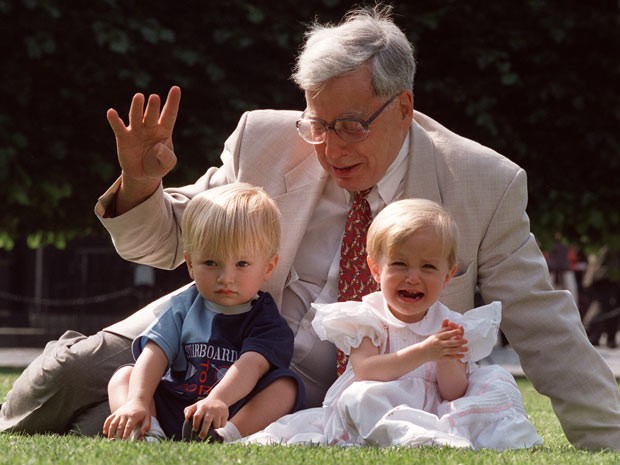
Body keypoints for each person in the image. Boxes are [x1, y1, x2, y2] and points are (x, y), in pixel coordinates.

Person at [1, 5, 619, 450]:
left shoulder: (485, 182)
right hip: (202, 338)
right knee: (62, 373)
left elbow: (547, 325)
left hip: (309, 397)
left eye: (349, 125)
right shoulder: (266, 138)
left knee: (95, 429)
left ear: (403, 108)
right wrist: (142, 185)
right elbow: (167, 242)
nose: (328, 146)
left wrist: (609, 440)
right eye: (316, 122)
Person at [242, 199, 542, 449]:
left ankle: (446, 432)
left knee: (495, 380)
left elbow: (452, 393)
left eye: (428, 267)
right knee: (360, 398)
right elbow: (367, 371)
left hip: (431, 406)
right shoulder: (369, 318)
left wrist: (446, 358)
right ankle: (412, 435)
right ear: (375, 268)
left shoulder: (449, 324)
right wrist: (425, 352)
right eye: (399, 264)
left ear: (447, 276)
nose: (413, 277)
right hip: (379, 398)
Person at [103, 183, 304, 442]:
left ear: (268, 267)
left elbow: (250, 366)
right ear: (190, 264)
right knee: (123, 376)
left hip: (230, 409)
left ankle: (225, 437)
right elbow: (155, 353)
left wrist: (218, 400)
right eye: (211, 263)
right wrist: (138, 400)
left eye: (242, 264)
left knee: (286, 387)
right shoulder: (183, 306)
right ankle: (147, 430)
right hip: (176, 404)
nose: (226, 278)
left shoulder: (264, 319)